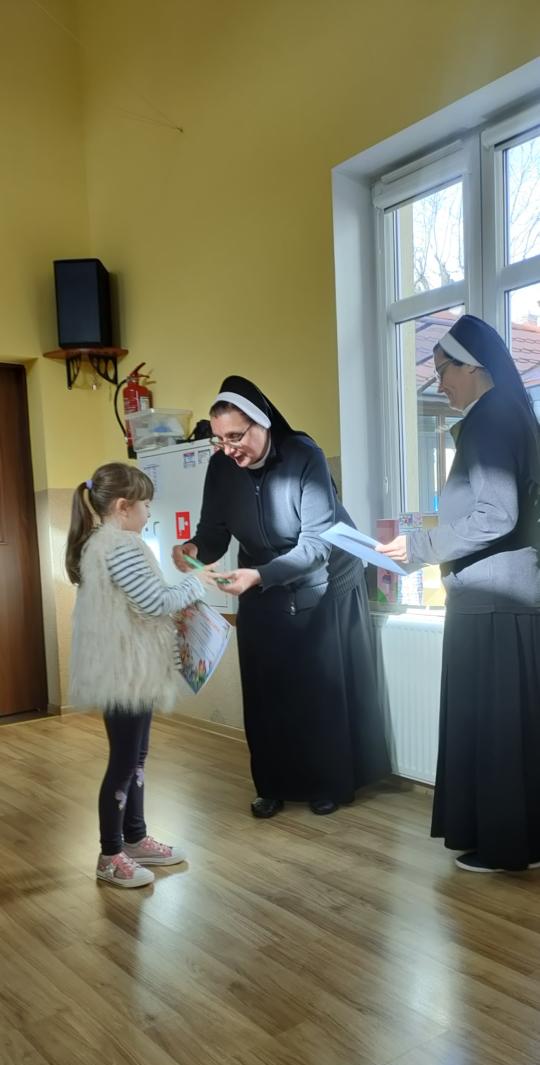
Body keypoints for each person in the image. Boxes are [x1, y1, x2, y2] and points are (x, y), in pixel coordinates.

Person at [173, 375, 390, 818]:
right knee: (264, 689)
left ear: (263, 423)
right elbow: (213, 532)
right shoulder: (221, 467)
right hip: (258, 581)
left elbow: (316, 545)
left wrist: (259, 575)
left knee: (315, 688)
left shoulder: (304, 456)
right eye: (220, 440)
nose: (229, 449)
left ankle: (326, 783)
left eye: (236, 437)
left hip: (320, 579)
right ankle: (271, 784)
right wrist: (192, 549)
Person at [377, 314, 540, 873]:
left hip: (494, 600)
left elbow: (497, 514)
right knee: (512, 730)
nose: (439, 381)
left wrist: (422, 546)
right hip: (506, 599)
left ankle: (505, 847)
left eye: (443, 369)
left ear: (474, 367)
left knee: (496, 731)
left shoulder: (491, 418)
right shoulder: (511, 413)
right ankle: (519, 842)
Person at [66, 462, 214, 887]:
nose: (150, 513)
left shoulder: (106, 543)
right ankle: (110, 853)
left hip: (129, 669)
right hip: (125, 671)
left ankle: (134, 837)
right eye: (146, 505)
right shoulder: (120, 547)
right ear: (123, 506)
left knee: (135, 758)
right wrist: (197, 581)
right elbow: (154, 602)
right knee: (125, 761)